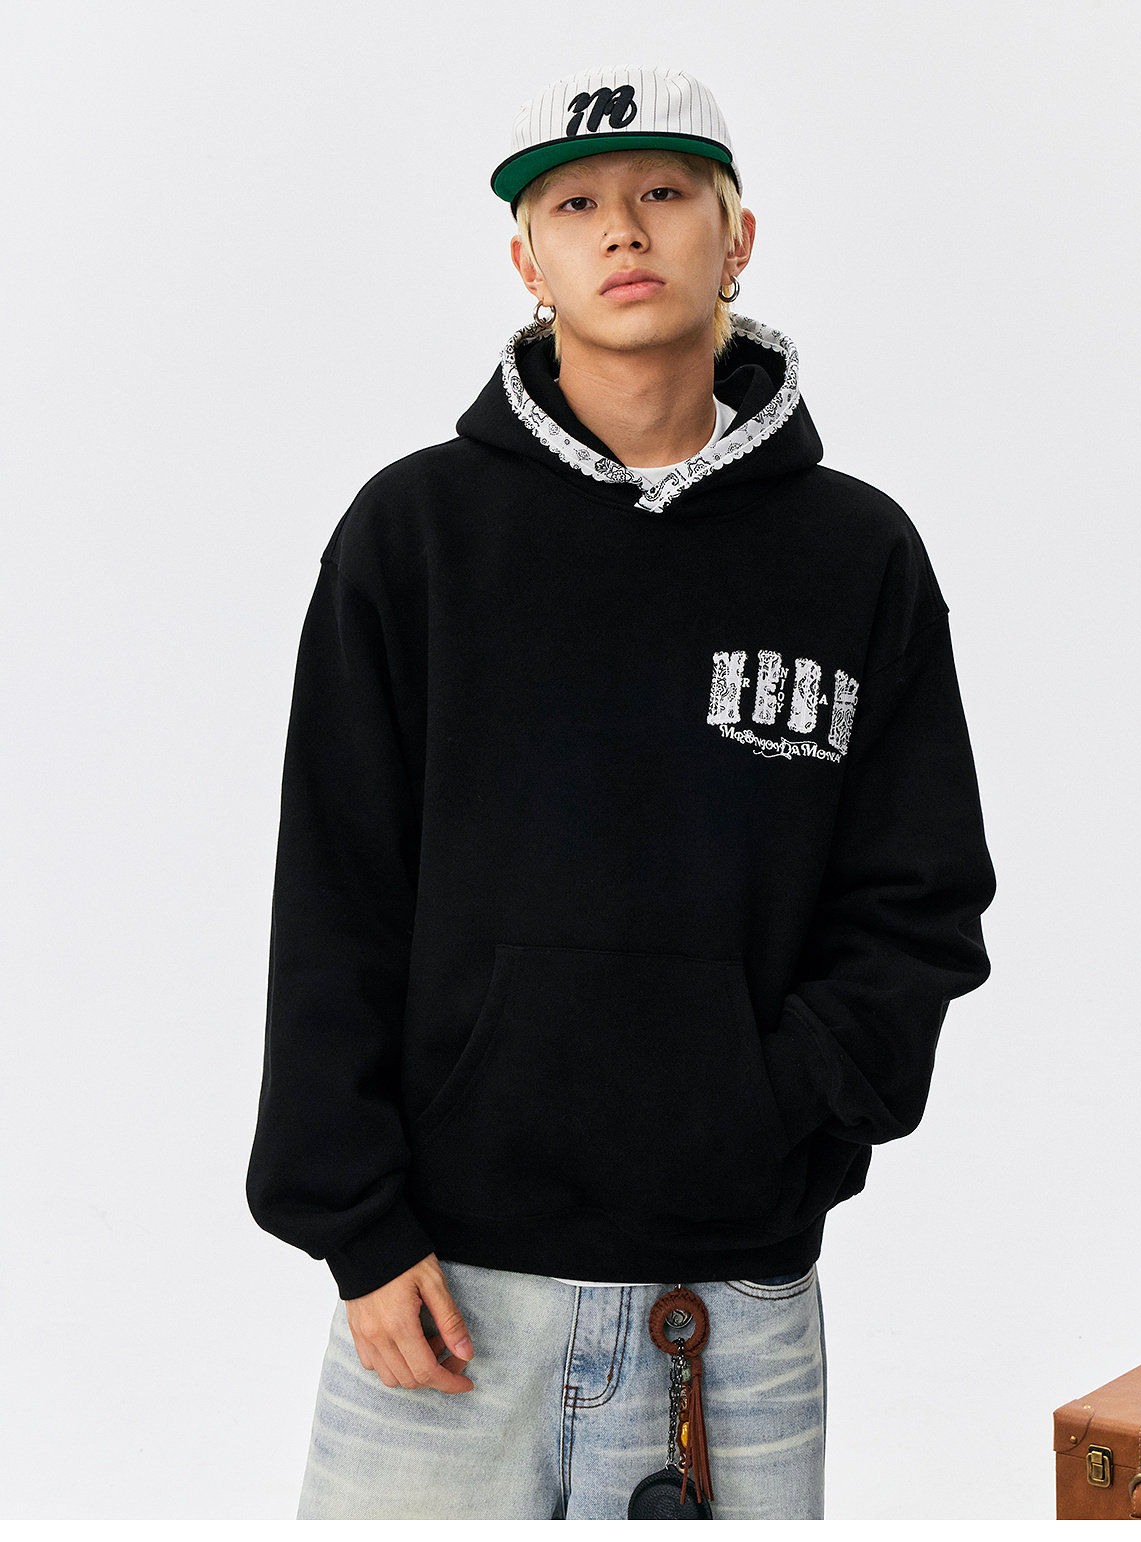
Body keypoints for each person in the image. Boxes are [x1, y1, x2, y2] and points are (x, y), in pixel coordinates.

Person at [245, 64, 996, 1520]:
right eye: (575, 205)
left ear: (738, 235)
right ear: (527, 261)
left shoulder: (857, 557)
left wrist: (769, 1113)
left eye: (663, 191)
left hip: (726, 1318)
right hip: (439, 1307)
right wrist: (357, 1226)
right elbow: (334, 890)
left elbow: (921, 902)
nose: (624, 230)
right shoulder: (415, 536)